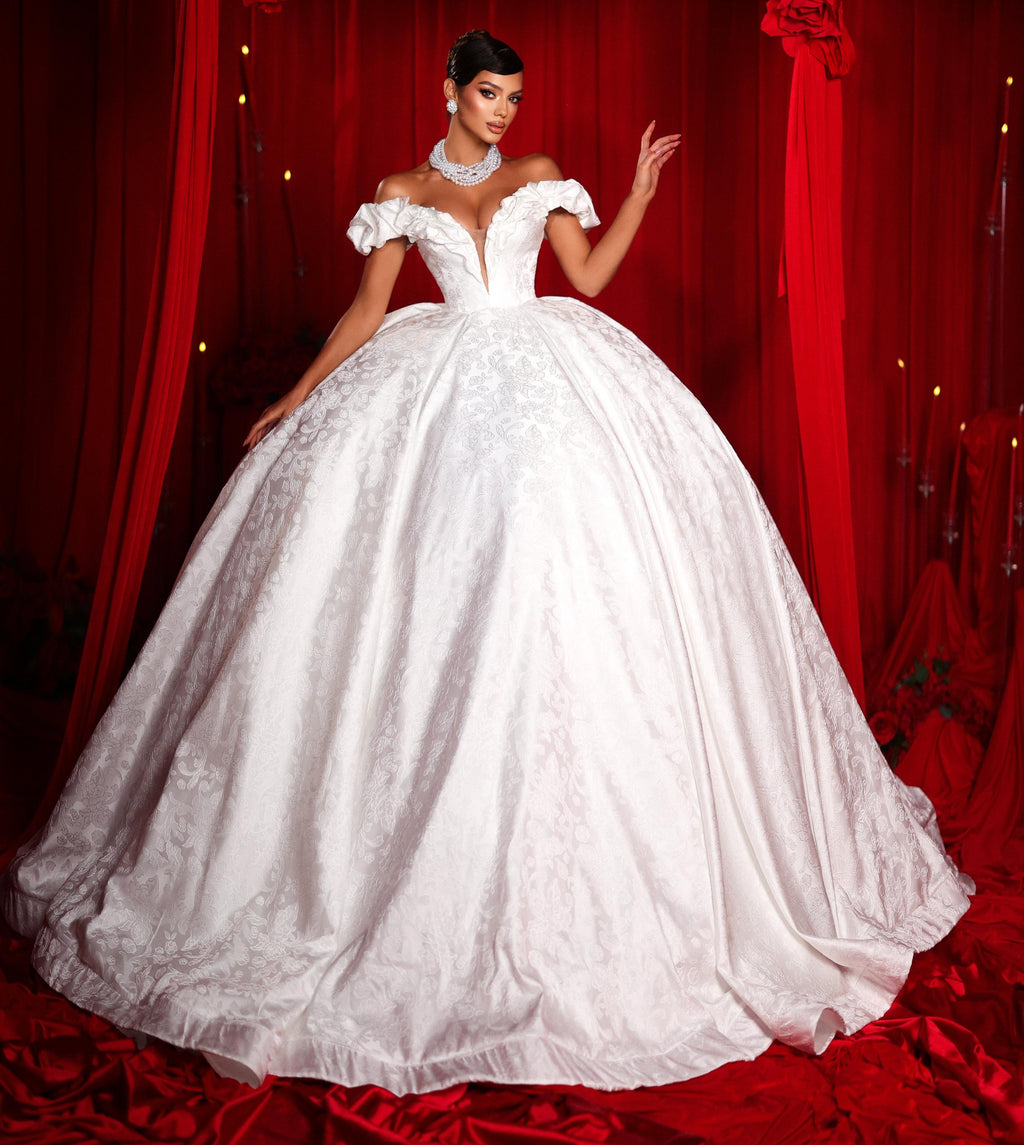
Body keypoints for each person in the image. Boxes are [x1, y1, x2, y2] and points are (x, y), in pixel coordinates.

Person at [2, 29, 972, 1095]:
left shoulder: (539, 176)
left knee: (559, 580)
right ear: (451, 91)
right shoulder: (401, 193)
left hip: (549, 383)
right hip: (433, 388)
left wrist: (638, 194)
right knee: (417, 594)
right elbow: (367, 311)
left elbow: (586, 276)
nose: (505, 111)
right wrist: (295, 396)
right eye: (489, 94)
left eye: (514, 96)